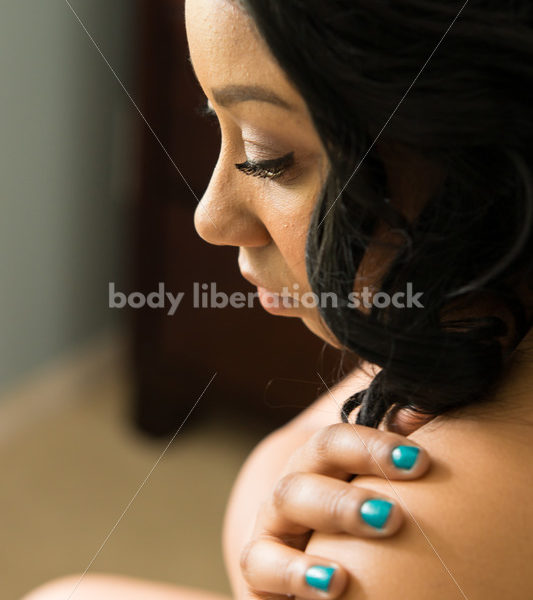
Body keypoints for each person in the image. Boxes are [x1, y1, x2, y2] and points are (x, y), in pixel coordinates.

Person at [24, 1, 533, 598]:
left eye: (268, 156)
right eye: (211, 115)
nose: (209, 218)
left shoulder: (405, 544)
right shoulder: (465, 320)